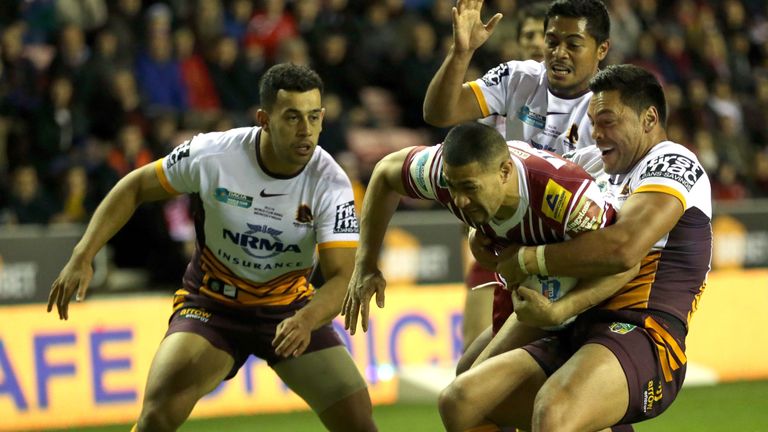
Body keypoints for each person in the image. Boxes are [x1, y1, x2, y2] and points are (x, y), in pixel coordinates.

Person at [47, 63, 377, 432]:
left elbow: (341, 276)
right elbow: (135, 186)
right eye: (292, 118)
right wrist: (83, 254)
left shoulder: (330, 182)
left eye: (314, 117)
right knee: (157, 416)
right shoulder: (213, 155)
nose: (306, 131)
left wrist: (305, 320)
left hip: (290, 311)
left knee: (359, 421)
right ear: (264, 119)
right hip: (213, 306)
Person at [439, 64, 712, 432]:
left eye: (608, 121)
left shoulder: (673, 162)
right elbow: (525, 208)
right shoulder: (588, 163)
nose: (596, 134)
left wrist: (526, 259)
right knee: (462, 401)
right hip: (573, 325)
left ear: (649, 118)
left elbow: (624, 249)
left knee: (555, 413)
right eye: (593, 122)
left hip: (641, 329)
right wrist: (486, 233)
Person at [340, 120, 637, 361]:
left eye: (469, 188)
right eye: (452, 186)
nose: (459, 200)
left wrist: (564, 308)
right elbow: (384, 174)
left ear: (505, 172)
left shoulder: (564, 197)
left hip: (594, 295)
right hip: (528, 285)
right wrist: (366, 264)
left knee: (470, 394)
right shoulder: (441, 172)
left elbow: (624, 263)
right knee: (470, 375)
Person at [462, 0, 550, 350]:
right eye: (528, 34)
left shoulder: (576, 103)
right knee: (474, 354)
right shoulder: (501, 96)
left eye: (544, 35)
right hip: (496, 237)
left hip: (544, 242)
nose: (536, 43)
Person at [423, 0, 610, 154]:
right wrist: (461, 52)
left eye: (573, 45)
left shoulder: (613, 105)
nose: (559, 53)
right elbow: (438, 115)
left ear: (602, 49)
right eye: (552, 42)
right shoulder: (516, 76)